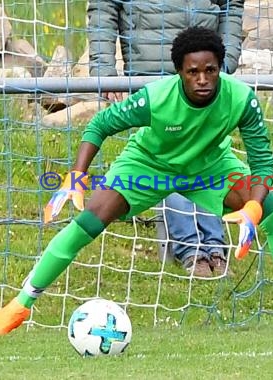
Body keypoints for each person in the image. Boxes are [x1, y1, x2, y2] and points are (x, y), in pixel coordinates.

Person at [0, 27, 273, 336]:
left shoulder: (242, 100)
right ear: (180, 72)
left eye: (210, 70)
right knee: (90, 217)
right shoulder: (155, 98)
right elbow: (100, 124)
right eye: (192, 72)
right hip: (147, 165)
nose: (202, 79)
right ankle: (18, 307)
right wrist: (77, 175)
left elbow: (263, 164)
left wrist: (253, 204)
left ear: (220, 69)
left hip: (209, 167)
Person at [86, 0, 245, 277]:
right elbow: (104, 7)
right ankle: (191, 250)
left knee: (205, 157)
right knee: (167, 159)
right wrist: (103, 69)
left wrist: (225, 60)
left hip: (203, 65)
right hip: (150, 67)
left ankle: (214, 248)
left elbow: (232, 4)